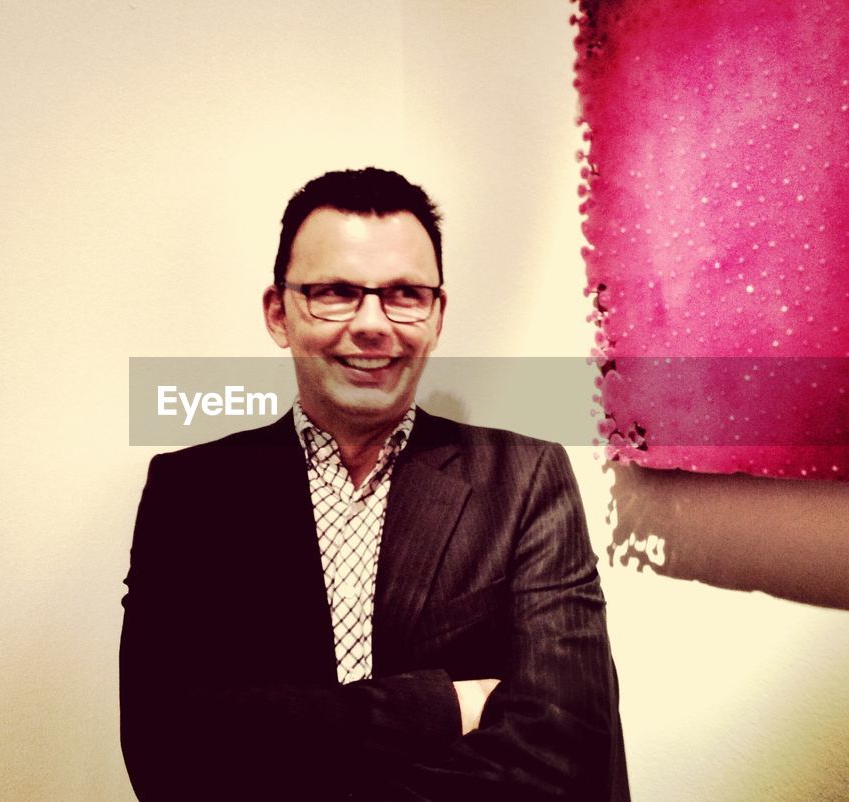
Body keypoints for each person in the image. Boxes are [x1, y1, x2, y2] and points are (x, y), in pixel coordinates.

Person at [120, 167, 628, 801]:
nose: (372, 324)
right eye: (334, 291)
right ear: (279, 314)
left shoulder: (525, 481)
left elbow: (564, 754)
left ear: (437, 316)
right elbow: (166, 747)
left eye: (405, 294)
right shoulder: (190, 495)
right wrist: (436, 706)